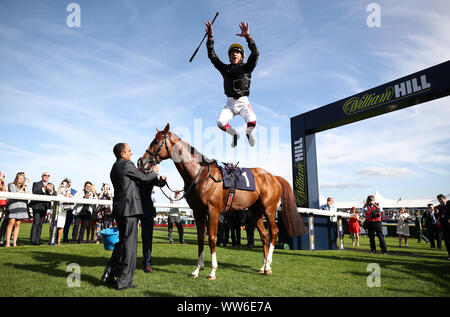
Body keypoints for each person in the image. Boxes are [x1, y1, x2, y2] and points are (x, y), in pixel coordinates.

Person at [101, 142, 159, 290]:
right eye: (129, 151)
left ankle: (109, 271)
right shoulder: (127, 164)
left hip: (120, 209)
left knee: (122, 243)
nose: (131, 153)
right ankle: (124, 282)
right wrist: (154, 172)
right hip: (130, 210)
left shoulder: (115, 167)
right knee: (130, 246)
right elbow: (144, 178)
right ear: (122, 153)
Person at [205, 20, 259, 148]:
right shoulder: (225, 69)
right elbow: (212, 56)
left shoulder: (247, 67)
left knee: (252, 121)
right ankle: (234, 134)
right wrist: (210, 37)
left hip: (243, 102)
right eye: (232, 53)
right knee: (220, 123)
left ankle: (248, 133)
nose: (234, 53)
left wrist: (248, 37)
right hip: (230, 103)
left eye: (237, 52)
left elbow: (255, 53)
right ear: (229, 57)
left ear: (242, 56)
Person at [138, 173, 166, 273]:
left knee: (147, 238)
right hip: (134, 208)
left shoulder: (151, 176)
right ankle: (128, 262)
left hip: (147, 210)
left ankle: (147, 263)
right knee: (130, 237)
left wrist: (162, 180)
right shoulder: (135, 172)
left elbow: (159, 184)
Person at [29, 172, 56, 245]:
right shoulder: (36, 184)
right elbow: (35, 192)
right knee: (36, 223)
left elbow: (54, 195)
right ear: (42, 176)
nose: (47, 176)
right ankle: (32, 240)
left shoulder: (51, 185)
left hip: (45, 207)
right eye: (45, 175)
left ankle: (37, 241)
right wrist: (44, 188)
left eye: (48, 176)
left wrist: (51, 191)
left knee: (40, 224)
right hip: (37, 206)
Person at [5, 172, 29, 247]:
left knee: (18, 223)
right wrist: (22, 188)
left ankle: (15, 242)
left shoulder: (24, 186)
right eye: (21, 178)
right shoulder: (12, 185)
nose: (22, 180)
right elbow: (15, 194)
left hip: (22, 206)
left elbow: (28, 195)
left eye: (23, 178)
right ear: (17, 178)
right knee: (11, 222)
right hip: (14, 206)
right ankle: (8, 242)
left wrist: (25, 187)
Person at [54, 179, 73, 245]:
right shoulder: (58, 190)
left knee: (61, 225)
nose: (63, 185)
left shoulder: (67, 190)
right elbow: (55, 195)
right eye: (62, 183)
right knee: (55, 225)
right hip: (56, 208)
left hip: (63, 210)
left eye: (65, 184)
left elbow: (67, 197)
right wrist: (59, 189)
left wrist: (66, 190)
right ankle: (53, 239)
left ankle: (58, 240)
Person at [435, 194, 450, 259]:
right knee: (447, 242)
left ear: (445, 198)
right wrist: (436, 213)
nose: (440, 201)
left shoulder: (449, 204)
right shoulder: (438, 207)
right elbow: (437, 217)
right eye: (439, 200)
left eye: (441, 199)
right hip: (444, 227)